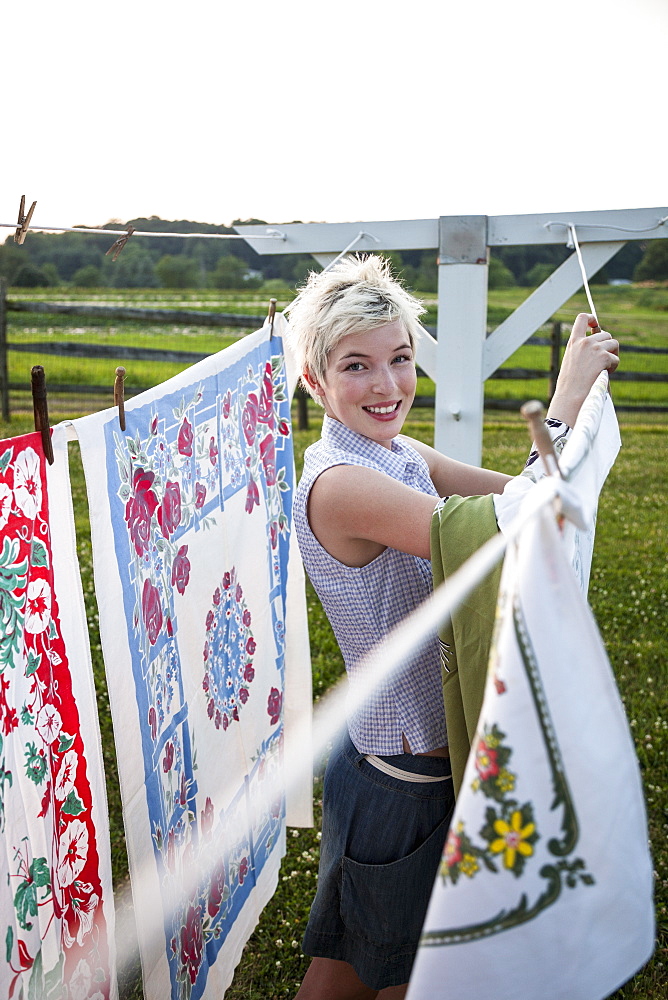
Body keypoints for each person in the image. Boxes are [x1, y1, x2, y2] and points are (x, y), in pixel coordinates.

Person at [286, 255, 619, 1000]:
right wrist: (566, 392)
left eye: (400, 359)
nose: (387, 385)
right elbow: (503, 528)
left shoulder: (398, 454)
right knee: (409, 977)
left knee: (349, 965)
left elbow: (527, 491)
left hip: (394, 762)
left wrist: (573, 420)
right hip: (401, 776)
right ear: (316, 381)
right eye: (357, 366)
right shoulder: (339, 485)